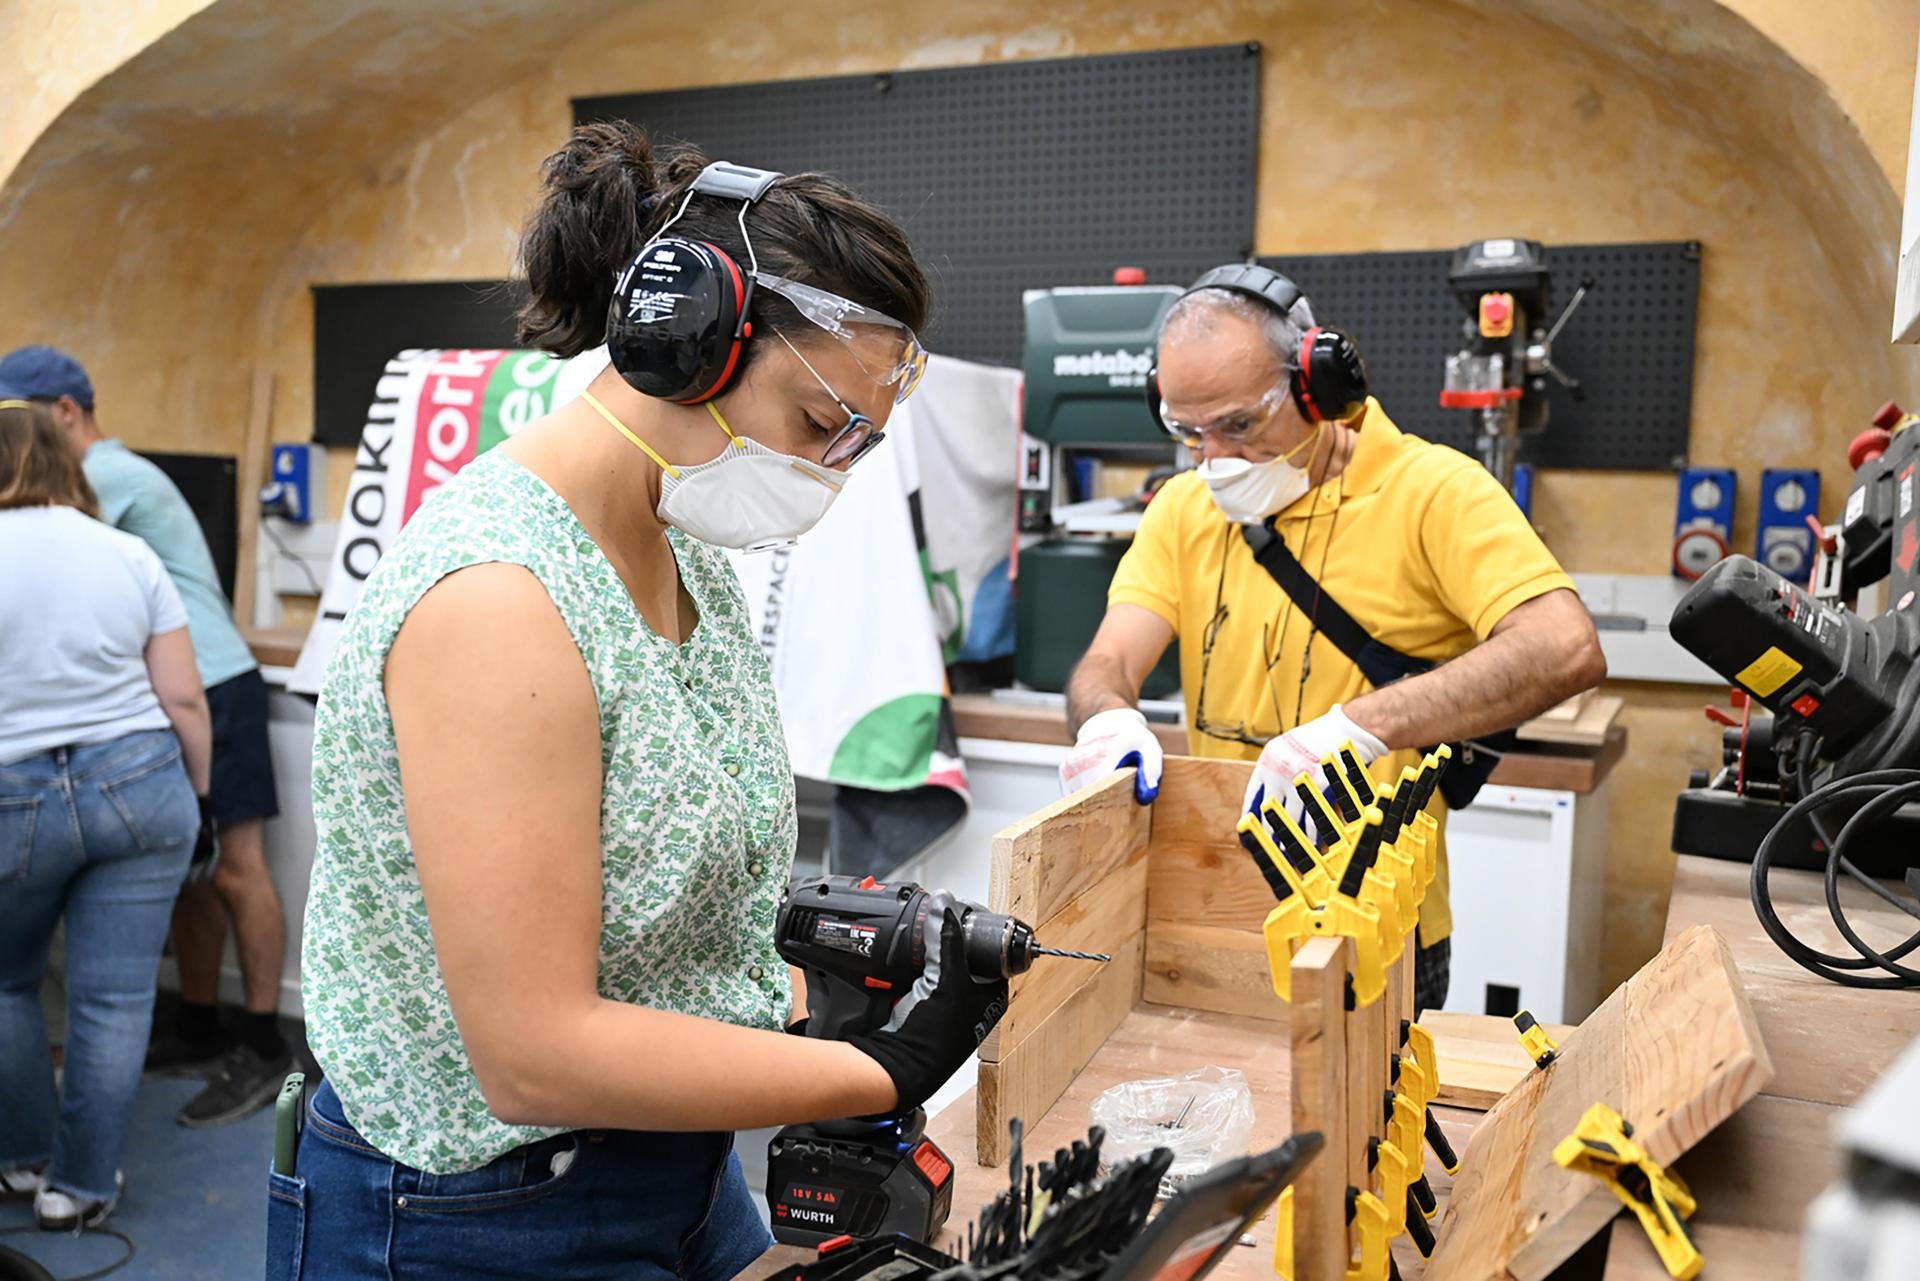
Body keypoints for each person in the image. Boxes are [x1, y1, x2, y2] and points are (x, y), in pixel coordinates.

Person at [290, 121, 1003, 1281]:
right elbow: (533, 1057)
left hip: (669, 1163)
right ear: (688, 344)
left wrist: (804, 990)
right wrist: (877, 1069)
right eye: (819, 423)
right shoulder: (500, 600)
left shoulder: (686, 555)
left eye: (859, 443)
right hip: (480, 1209)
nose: (829, 472)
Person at [1060, 267, 1606, 1012]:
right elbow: (1108, 660)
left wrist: (1358, 729)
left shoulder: (1433, 491)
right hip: (1219, 906)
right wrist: (1104, 718)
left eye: (1240, 425)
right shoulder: (1183, 508)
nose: (1213, 459)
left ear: (1317, 387)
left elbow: (1564, 646)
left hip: (1372, 922)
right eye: (1187, 431)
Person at [0, 344, 291, 1127]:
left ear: (64, 413)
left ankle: (265, 1044)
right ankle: (198, 1025)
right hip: (163, 690)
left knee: (236, 870)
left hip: (212, 681)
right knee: (188, 875)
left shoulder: (108, 473)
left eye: (17, 418)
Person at [0, 398, 212, 1230]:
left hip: (12, 793)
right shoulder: (127, 553)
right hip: (139, 784)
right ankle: (80, 1186)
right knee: (114, 999)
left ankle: (21, 1158)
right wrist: (198, 796)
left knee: (7, 981)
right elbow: (184, 696)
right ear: (65, 460)